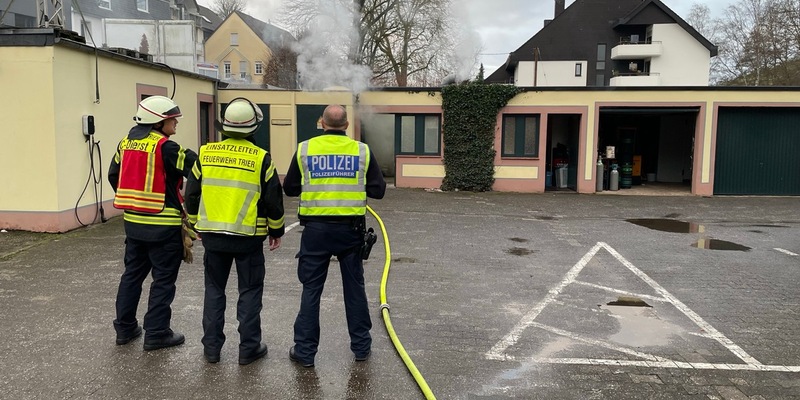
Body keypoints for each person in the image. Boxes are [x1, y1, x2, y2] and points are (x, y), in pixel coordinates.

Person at [283, 104, 386, 368]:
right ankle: (362, 347)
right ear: (347, 126)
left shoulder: (305, 149)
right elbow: (378, 190)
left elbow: (291, 188)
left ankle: (305, 353)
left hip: (315, 233)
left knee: (311, 291)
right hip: (350, 232)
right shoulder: (361, 150)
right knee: (354, 289)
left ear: (321, 122)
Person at [184, 98, 285, 365]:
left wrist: (196, 226)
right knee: (249, 292)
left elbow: (191, 194)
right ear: (253, 128)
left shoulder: (205, 154)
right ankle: (248, 349)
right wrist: (276, 231)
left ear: (224, 126)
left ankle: (212, 349)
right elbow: (273, 200)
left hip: (213, 238)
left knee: (214, 291)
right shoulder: (262, 158)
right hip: (248, 239)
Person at [108, 95, 197, 350]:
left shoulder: (124, 144)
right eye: (172, 120)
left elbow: (114, 176)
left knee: (132, 276)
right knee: (163, 281)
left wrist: (134, 199)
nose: (176, 124)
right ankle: (157, 333)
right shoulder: (166, 147)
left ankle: (124, 330)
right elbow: (195, 168)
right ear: (158, 122)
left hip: (133, 225)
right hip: (164, 227)